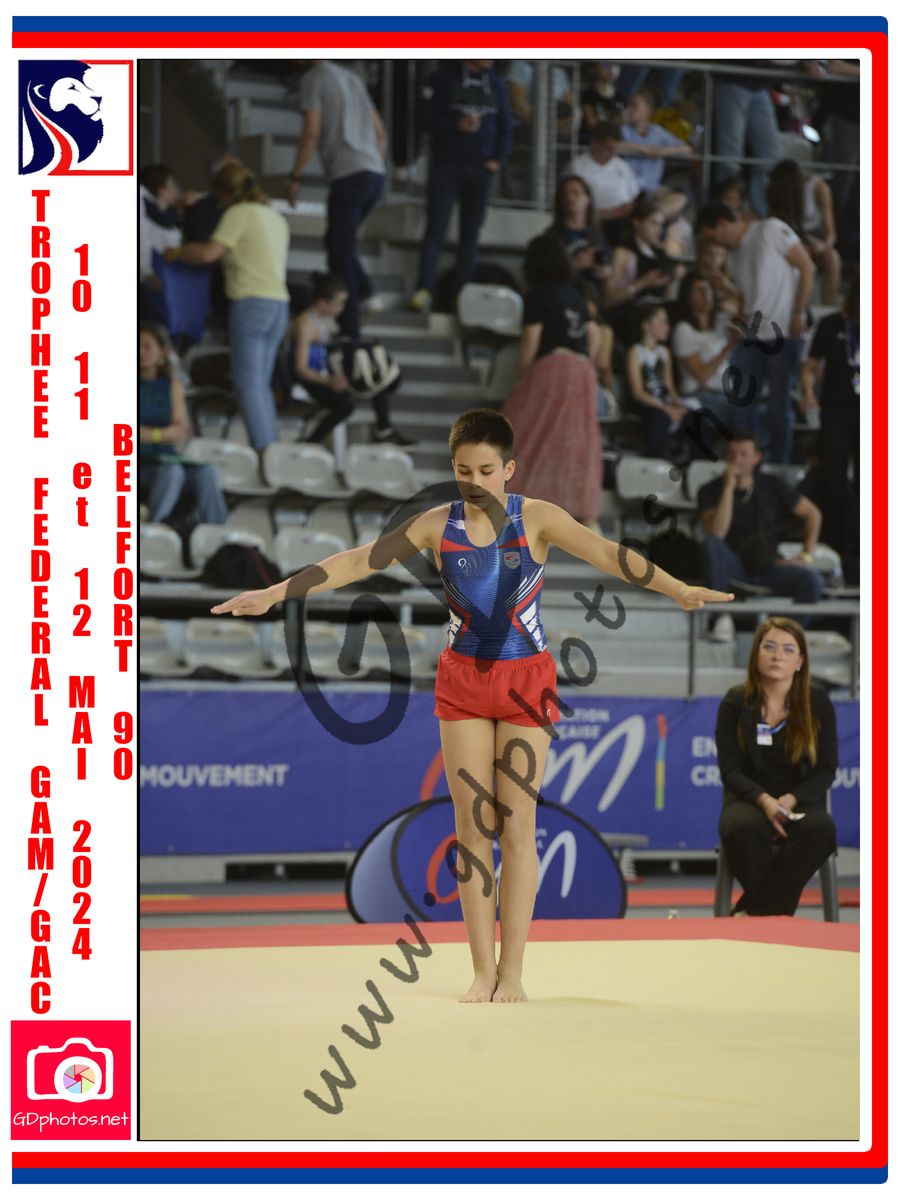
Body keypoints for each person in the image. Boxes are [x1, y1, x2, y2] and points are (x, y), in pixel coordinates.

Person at [210, 407, 734, 1001]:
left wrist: (677, 588)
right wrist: (277, 593)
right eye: (464, 471)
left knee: (518, 826)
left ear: (510, 468)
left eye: (486, 471)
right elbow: (357, 561)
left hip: (526, 680)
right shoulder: (437, 524)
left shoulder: (538, 518)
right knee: (471, 829)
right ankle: (482, 970)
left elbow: (610, 554)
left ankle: (513, 971)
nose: (475, 482)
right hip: (463, 681)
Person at [715, 617, 838, 916]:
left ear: (800, 661)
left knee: (821, 830)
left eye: (787, 649)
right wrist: (765, 802)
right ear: (756, 653)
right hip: (748, 800)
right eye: (769, 647)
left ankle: (751, 913)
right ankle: (770, 916)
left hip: (799, 801)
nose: (777, 656)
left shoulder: (817, 701)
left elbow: (826, 769)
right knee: (742, 828)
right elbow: (730, 770)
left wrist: (790, 800)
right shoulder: (735, 701)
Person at [167, 163, 290, 454]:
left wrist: (177, 252)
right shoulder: (275, 217)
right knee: (261, 384)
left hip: (251, 302)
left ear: (224, 194)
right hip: (279, 304)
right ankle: (273, 452)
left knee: (248, 384)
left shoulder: (238, 213)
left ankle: (265, 451)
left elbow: (209, 253)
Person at [696, 202, 816, 464]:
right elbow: (749, 296)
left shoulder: (769, 229)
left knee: (778, 406)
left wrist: (798, 312)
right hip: (751, 335)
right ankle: (744, 463)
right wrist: (730, 296)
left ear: (722, 224)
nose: (714, 243)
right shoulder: (734, 254)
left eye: (712, 236)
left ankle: (778, 465)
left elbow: (807, 266)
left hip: (783, 331)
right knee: (742, 404)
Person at [502, 235, 604, 523]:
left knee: (523, 430)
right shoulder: (575, 295)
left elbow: (530, 341)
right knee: (573, 440)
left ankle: (513, 500)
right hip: (582, 372)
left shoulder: (537, 295)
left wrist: (523, 379)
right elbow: (594, 335)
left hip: (553, 367)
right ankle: (571, 506)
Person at [288, 60, 388, 342]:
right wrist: (373, 163)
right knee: (339, 243)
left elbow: (311, 132)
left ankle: (349, 330)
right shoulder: (352, 78)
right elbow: (380, 133)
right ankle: (366, 294)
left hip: (349, 174)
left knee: (339, 253)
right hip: (374, 173)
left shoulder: (313, 79)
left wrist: (295, 176)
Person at [698, 433, 823, 642]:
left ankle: (788, 636)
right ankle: (722, 616)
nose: (736, 460)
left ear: (756, 458)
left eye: (743, 454)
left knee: (811, 580)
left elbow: (813, 514)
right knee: (711, 544)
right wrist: (728, 488)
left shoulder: (772, 484)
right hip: (732, 564)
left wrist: (806, 556)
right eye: (732, 454)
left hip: (768, 563)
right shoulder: (710, 490)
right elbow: (717, 532)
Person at [408, 60, 511, 314]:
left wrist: (498, 160)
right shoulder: (442, 78)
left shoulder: (496, 83)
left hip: (482, 170)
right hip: (447, 164)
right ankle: (424, 290)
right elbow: (424, 117)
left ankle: (462, 296)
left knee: (471, 235)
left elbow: (506, 125)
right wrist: (455, 124)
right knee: (436, 228)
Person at [290, 271, 412, 449]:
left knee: (375, 378)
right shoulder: (305, 323)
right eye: (339, 303)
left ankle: (384, 429)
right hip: (311, 379)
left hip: (328, 374)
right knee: (345, 406)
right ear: (323, 302)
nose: (342, 308)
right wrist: (329, 381)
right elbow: (301, 369)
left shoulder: (328, 320)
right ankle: (311, 443)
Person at [798, 275, 860, 568]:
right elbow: (809, 366)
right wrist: (808, 392)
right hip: (836, 410)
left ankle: (863, 544)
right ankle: (832, 542)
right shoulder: (832, 324)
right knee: (833, 479)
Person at [139, 323, 228, 526]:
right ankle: (157, 529)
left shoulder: (172, 385)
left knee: (207, 472)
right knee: (172, 471)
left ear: (162, 351)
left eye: (147, 346)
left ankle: (217, 533)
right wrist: (165, 433)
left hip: (166, 456)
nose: (141, 352)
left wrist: (150, 434)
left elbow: (180, 432)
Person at [671, 271, 743, 441]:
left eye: (709, 289)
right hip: (699, 395)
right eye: (699, 290)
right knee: (746, 414)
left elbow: (746, 309)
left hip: (726, 394)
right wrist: (729, 346)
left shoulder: (719, 326)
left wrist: (728, 288)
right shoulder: (684, 330)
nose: (706, 294)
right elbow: (702, 375)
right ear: (687, 297)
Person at [605, 196, 683, 342]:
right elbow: (607, 300)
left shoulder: (661, 255)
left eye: (660, 225)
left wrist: (672, 279)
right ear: (637, 222)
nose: (658, 230)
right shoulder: (623, 253)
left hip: (656, 317)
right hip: (631, 317)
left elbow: (666, 297)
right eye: (653, 223)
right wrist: (643, 283)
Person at [766, 159, 842, 307]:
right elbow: (775, 224)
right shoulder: (775, 190)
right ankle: (798, 306)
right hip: (788, 237)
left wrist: (823, 246)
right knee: (801, 257)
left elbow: (831, 233)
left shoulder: (819, 188)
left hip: (814, 237)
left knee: (832, 258)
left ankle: (828, 307)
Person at [625, 303, 689, 460]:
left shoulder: (664, 352)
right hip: (645, 403)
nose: (667, 326)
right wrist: (666, 408)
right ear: (646, 326)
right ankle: (657, 459)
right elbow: (637, 392)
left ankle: (694, 464)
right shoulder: (635, 352)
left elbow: (669, 386)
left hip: (663, 401)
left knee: (694, 416)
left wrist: (678, 404)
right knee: (659, 417)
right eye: (662, 322)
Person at [618, 88, 690, 213]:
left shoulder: (657, 131)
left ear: (649, 111)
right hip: (626, 187)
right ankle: (650, 215)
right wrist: (643, 149)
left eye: (634, 105)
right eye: (628, 105)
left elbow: (686, 149)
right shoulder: (623, 129)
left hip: (652, 189)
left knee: (682, 196)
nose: (629, 109)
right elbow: (613, 144)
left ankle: (654, 215)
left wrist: (663, 151)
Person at [139, 163, 184, 324]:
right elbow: (143, 240)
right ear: (161, 190)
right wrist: (147, 272)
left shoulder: (165, 216)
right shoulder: (143, 207)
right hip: (152, 277)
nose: (176, 189)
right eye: (171, 185)